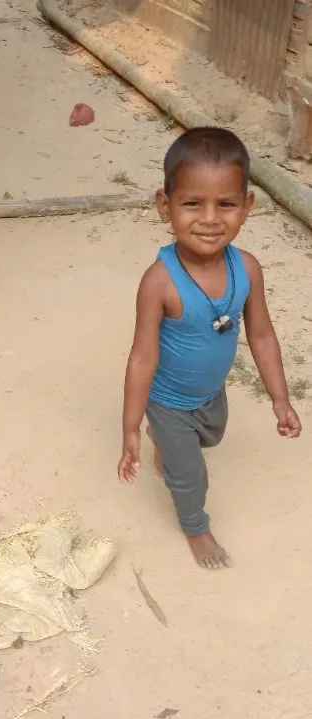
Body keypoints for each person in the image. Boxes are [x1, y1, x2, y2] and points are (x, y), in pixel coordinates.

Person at [118, 127, 301, 569]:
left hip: (210, 393)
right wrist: (131, 424)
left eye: (226, 204)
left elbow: (261, 334)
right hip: (168, 401)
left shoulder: (249, 269)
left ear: (247, 208)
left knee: (212, 437)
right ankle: (196, 527)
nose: (210, 219)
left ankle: (168, 446)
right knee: (190, 476)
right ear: (166, 207)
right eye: (192, 203)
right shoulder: (159, 282)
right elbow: (142, 357)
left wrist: (281, 398)